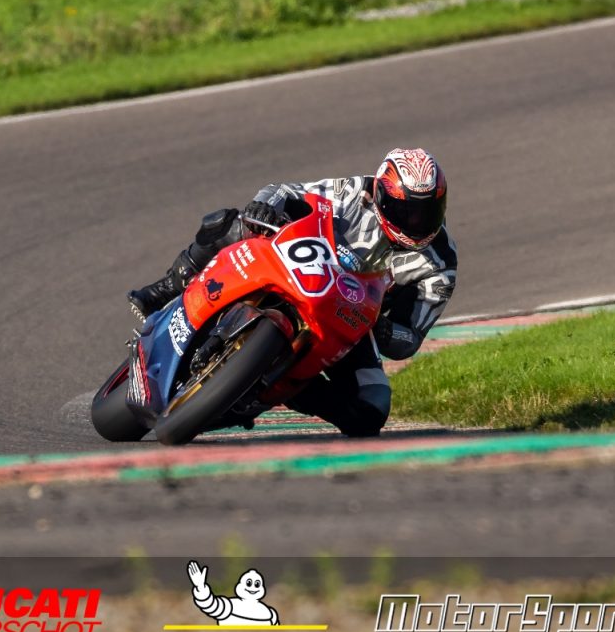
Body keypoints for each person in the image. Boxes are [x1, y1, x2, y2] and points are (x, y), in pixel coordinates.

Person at [128, 148, 457, 437]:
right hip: (301, 264)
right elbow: (285, 191)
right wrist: (264, 206)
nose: (416, 223)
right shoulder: (355, 191)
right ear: (381, 194)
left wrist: (382, 329)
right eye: (406, 211)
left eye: (427, 212)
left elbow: (409, 338)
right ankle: (167, 287)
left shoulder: (440, 263)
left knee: (371, 409)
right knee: (231, 222)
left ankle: (288, 385)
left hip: (352, 319)